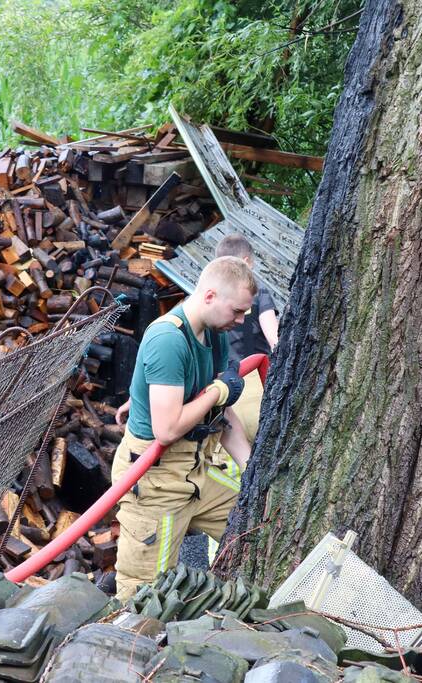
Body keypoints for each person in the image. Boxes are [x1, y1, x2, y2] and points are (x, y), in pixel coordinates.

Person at [111, 256, 256, 599]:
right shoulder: (168, 339)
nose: (239, 322)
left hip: (198, 470)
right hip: (154, 481)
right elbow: (166, 429)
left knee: (255, 522)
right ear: (209, 296)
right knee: (143, 596)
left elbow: (222, 412)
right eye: (236, 312)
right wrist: (217, 392)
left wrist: (250, 468)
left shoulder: (215, 334)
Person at [213, 234, 277, 444]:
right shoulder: (259, 295)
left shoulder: (211, 302)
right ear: (247, 262)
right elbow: (274, 340)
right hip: (258, 387)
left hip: (225, 396)